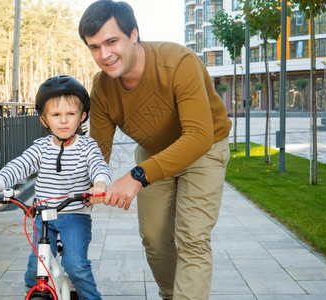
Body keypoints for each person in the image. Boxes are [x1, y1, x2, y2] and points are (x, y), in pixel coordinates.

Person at [78, 1, 232, 299]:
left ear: (133, 34)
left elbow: (198, 136)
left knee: (192, 237)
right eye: (94, 47)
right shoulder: (102, 89)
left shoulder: (177, 62)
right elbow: (96, 152)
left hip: (205, 148)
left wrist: (137, 176)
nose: (104, 55)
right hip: (154, 151)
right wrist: (79, 185)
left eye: (111, 42)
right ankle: (172, 294)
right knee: (155, 238)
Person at [0, 75, 110, 300]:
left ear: (82, 116)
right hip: (43, 215)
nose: (64, 121)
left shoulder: (87, 146)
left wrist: (99, 184)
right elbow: (17, 167)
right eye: (56, 115)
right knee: (35, 266)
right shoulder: (40, 147)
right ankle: (34, 288)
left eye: (71, 114)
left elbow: (99, 166)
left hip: (75, 215)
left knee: (76, 265)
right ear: (44, 120)